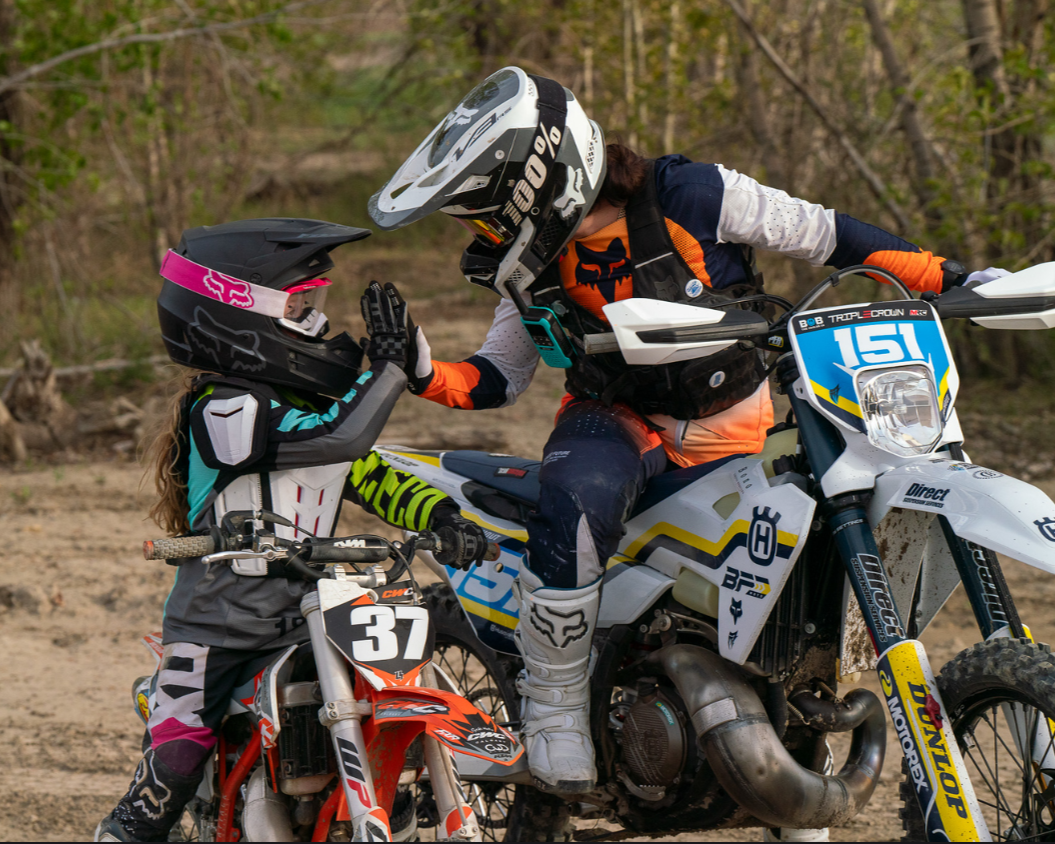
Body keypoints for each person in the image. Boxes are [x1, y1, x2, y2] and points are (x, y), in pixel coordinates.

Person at [367, 66, 1006, 809]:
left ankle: (774, 727)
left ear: (535, 187)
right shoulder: (531, 265)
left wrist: (949, 279)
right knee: (575, 497)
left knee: (810, 546)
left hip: (736, 423)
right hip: (619, 422)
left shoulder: (691, 195)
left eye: (485, 215)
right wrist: (421, 369)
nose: (483, 235)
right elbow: (497, 378)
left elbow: (827, 235)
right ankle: (554, 709)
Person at [95, 217, 486, 843]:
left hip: (312, 614)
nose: (315, 320)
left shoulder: (308, 407)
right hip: (214, 629)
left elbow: (372, 472)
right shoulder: (223, 407)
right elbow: (339, 436)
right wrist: (386, 371)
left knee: (388, 713)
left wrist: (444, 519)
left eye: (315, 303)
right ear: (234, 317)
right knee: (170, 769)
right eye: (299, 306)